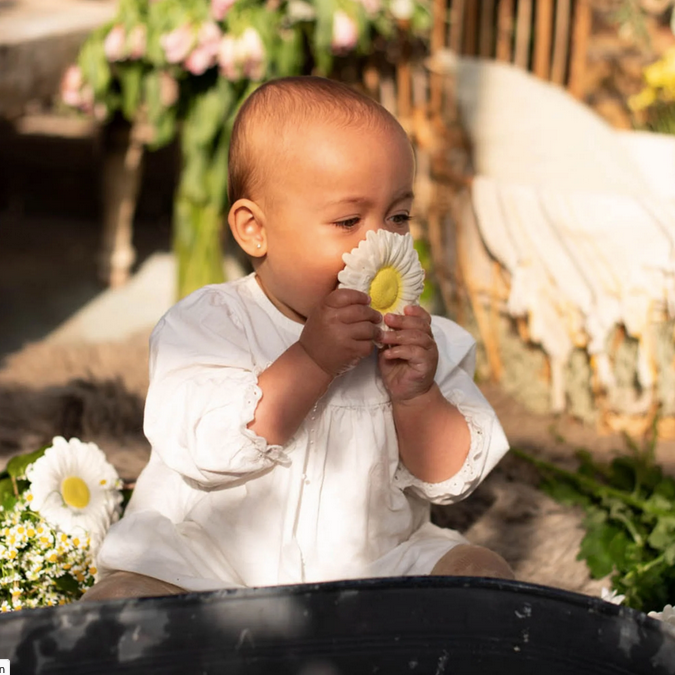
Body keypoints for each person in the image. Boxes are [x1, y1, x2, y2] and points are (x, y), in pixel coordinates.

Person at [83, 76, 513, 601]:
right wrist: (310, 360)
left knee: (482, 575)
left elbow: (449, 480)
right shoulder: (209, 327)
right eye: (349, 220)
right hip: (206, 568)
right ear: (254, 230)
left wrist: (418, 396)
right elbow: (202, 448)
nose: (379, 245)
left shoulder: (420, 341)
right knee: (120, 604)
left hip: (374, 568)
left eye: (398, 216)